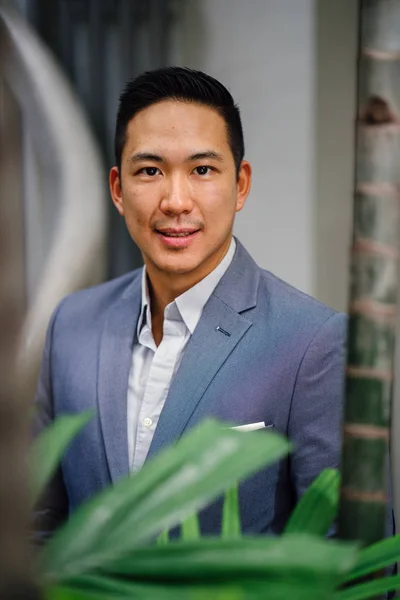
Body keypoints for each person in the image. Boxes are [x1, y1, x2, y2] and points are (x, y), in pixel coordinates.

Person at [35, 66, 347, 538]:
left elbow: (348, 558)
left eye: (202, 170)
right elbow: (38, 525)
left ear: (240, 184)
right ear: (118, 189)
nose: (176, 201)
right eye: (150, 171)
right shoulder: (71, 326)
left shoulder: (311, 343)